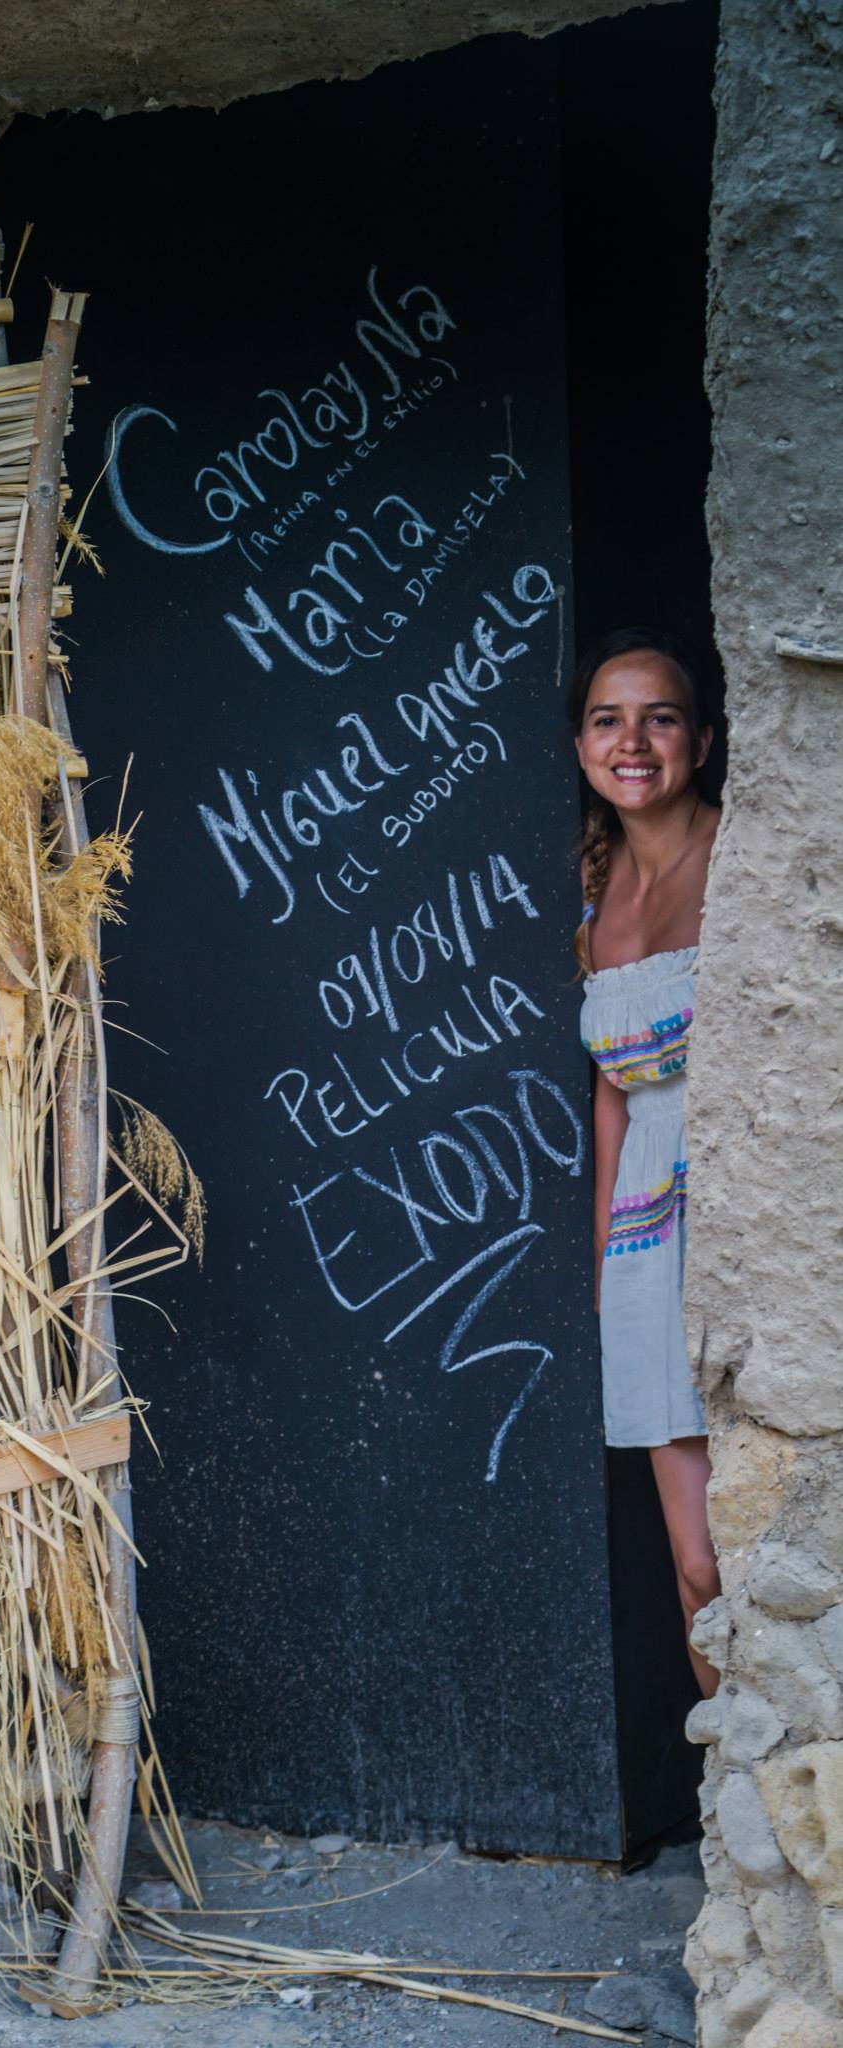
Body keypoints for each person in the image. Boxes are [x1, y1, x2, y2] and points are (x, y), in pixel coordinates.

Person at [570, 628, 721, 1697]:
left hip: (736, 1211)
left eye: (658, 717)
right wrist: (603, 1269)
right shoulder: (596, 893)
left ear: (700, 740)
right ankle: (742, 1784)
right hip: (643, 1239)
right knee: (697, 1564)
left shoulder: (741, 858)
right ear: (581, 745)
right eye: (606, 719)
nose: (631, 741)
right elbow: (612, 1095)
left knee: (766, 1549)